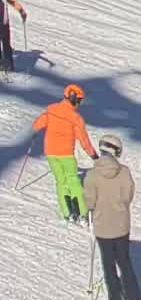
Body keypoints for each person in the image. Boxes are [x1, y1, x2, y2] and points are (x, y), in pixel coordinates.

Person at [83, 134, 141, 300]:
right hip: (121, 225)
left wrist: (92, 208)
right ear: (116, 151)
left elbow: (89, 202)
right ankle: (133, 299)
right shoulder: (124, 172)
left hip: (102, 228)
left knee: (108, 265)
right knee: (125, 262)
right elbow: (128, 197)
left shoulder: (92, 175)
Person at [32, 84, 97, 223]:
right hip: (66, 154)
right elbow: (83, 140)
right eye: (79, 100)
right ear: (73, 98)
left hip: (50, 154)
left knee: (61, 182)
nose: (80, 103)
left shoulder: (51, 109)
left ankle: (68, 213)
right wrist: (94, 156)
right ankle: (83, 213)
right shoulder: (75, 117)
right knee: (74, 181)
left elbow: (37, 125)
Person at [0, 0, 23, 75]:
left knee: (5, 44)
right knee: (6, 44)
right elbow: (14, 3)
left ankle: (3, 65)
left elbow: (13, 2)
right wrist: (22, 12)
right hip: (5, 25)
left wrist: (22, 12)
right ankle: (8, 65)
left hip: (3, 24)